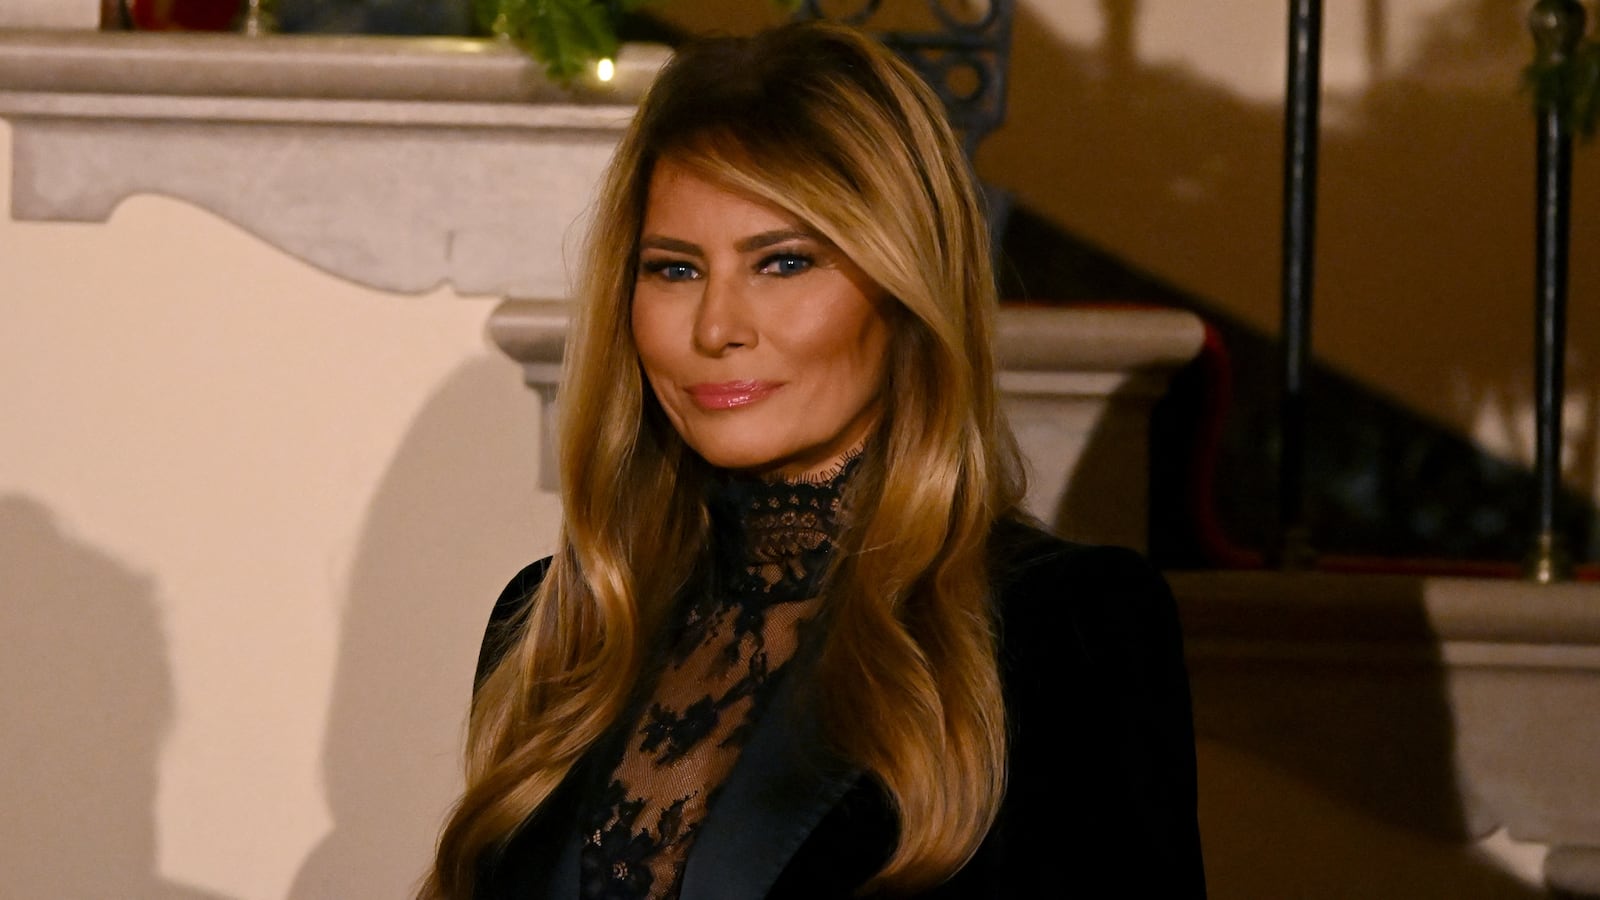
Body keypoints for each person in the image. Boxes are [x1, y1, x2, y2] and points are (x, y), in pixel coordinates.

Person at [420, 21, 1205, 900]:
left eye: (784, 262)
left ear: (905, 289)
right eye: (675, 270)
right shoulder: (556, 631)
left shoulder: (1064, 627)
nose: (716, 327)